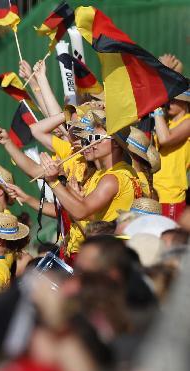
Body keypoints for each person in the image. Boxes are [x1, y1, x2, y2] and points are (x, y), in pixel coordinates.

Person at [38, 116, 142, 256]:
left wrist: (53, 182)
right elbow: (92, 216)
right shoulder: (122, 172)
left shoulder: (112, 178)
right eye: (91, 137)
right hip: (112, 248)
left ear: (116, 143)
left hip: (106, 251)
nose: (91, 142)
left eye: (97, 137)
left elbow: (80, 212)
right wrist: (64, 180)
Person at [152, 88, 190, 220]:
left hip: (171, 194)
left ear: (185, 102)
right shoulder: (164, 123)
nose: (168, 103)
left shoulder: (188, 121)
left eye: (174, 99)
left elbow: (165, 139)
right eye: (168, 99)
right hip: (154, 192)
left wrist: (156, 110)